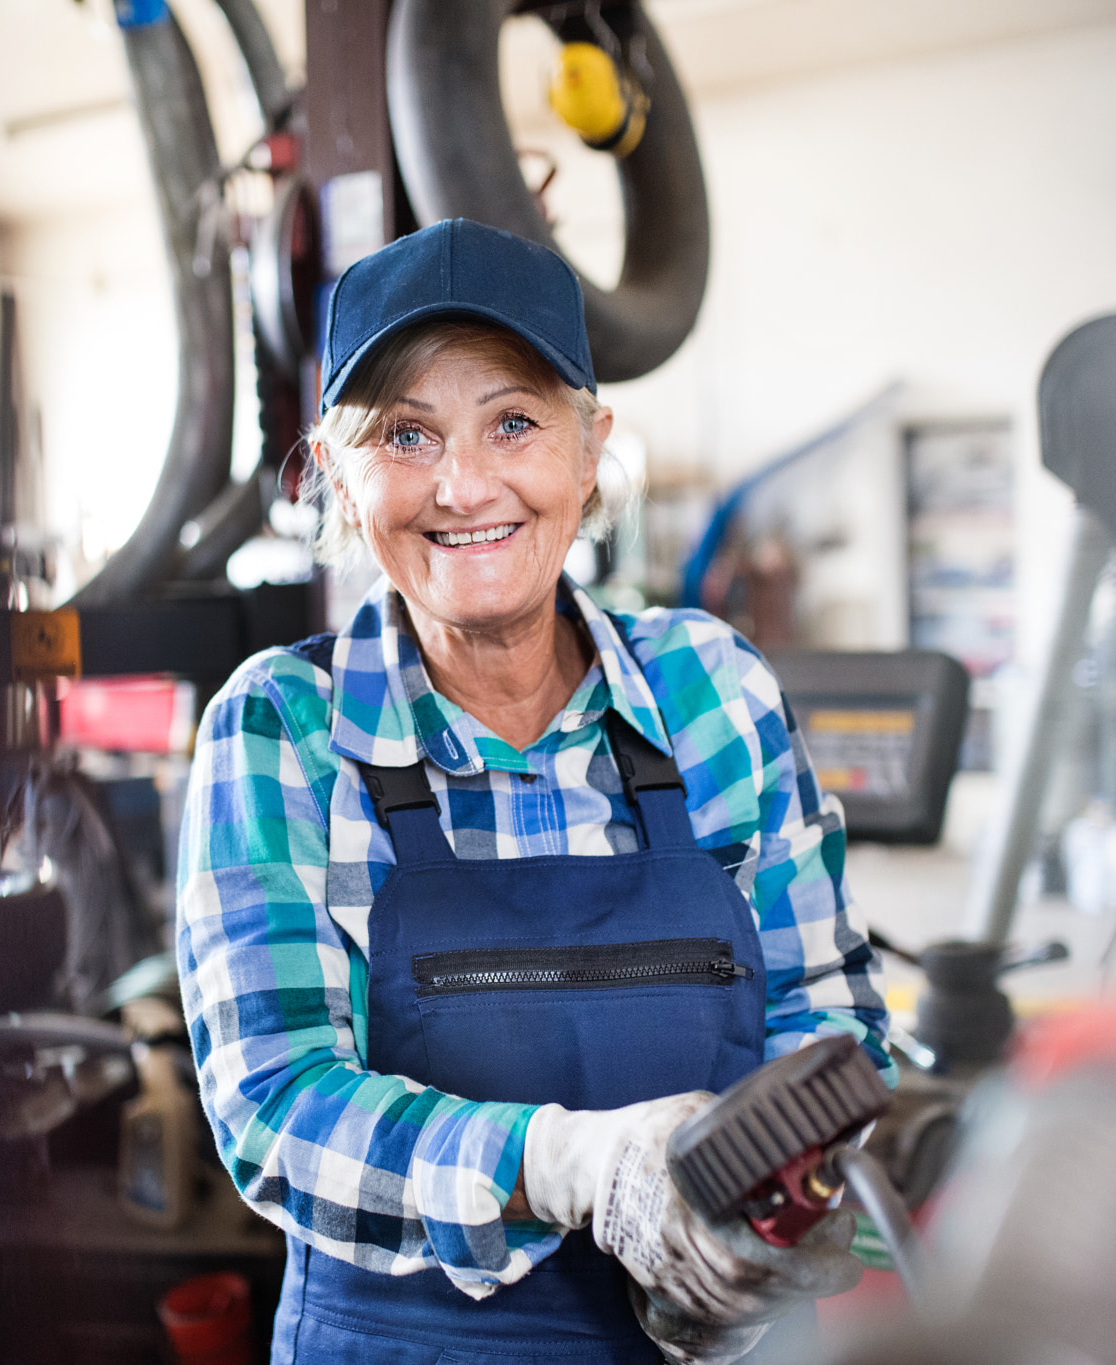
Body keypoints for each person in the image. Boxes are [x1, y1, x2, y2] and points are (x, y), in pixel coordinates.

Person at [177, 218, 890, 1363]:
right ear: (335, 476)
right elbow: (277, 1107)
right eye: (405, 435)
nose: (464, 487)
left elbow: (830, 1024)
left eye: (511, 422)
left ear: (588, 444)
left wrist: (757, 1238)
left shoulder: (711, 687)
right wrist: (576, 1170)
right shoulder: (281, 729)